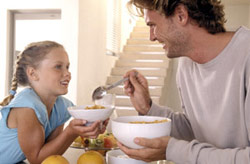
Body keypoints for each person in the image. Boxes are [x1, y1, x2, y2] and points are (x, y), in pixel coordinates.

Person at [118, 0, 250, 163]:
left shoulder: (246, 55)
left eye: (153, 25)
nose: (151, 37)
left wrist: (173, 150)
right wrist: (148, 108)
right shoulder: (186, 65)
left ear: (181, 15)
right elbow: (195, 129)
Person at [0, 41, 107, 164]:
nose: (67, 73)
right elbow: (37, 159)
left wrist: (85, 126)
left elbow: (51, 156)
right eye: (58, 66)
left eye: (67, 67)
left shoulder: (61, 106)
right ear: (33, 73)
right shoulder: (26, 107)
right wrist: (71, 131)